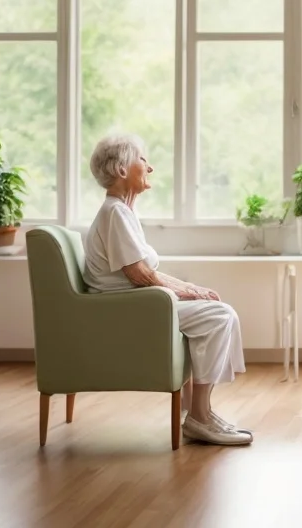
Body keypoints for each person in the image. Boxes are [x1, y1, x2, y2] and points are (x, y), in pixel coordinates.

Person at [83, 134, 252, 446]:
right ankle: (199, 416)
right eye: (143, 160)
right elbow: (138, 273)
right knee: (220, 316)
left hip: (136, 303)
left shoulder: (121, 212)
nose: (151, 167)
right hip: (127, 308)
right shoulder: (115, 213)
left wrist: (191, 289)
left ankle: (200, 410)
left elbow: (146, 271)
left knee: (213, 310)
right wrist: (190, 292)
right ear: (122, 169)